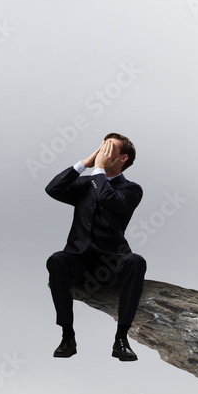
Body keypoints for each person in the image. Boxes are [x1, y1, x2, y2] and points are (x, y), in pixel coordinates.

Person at [45, 133, 146, 362]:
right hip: (79, 260)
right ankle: (67, 335)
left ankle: (121, 339)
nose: (103, 152)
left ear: (123, 158)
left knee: (136, 261)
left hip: (112, 263)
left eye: (110, 149)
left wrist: (99, 170)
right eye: (102, 147)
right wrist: (85, 164)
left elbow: (108, 198)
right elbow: (53, 189)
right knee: (56, 259)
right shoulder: (85, 183)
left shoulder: (131, 189)